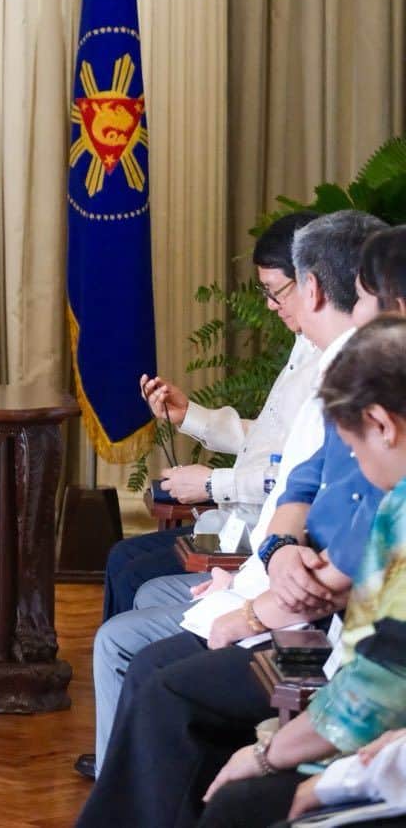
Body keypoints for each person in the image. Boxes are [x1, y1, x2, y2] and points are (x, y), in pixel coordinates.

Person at [77, 290, 406, 828]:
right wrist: (277, 556)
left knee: (185, 714)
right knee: (162, 672)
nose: (355, 474)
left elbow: (374, 685)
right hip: (321, 642)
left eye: (356, 450)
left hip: (323, 652)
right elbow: (306, 505)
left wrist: (269, 754)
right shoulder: (389, 487)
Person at [104, 212, 319, 622]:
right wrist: (190, 416)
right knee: (122, 559)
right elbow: (272, 438)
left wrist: (210, 482)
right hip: (244, 522)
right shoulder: (304, 343)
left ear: (313, 281)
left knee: (134, 577)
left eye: (276, 292)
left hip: (262, 537)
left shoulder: (337, 361)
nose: (271, 307)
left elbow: (299, 472)